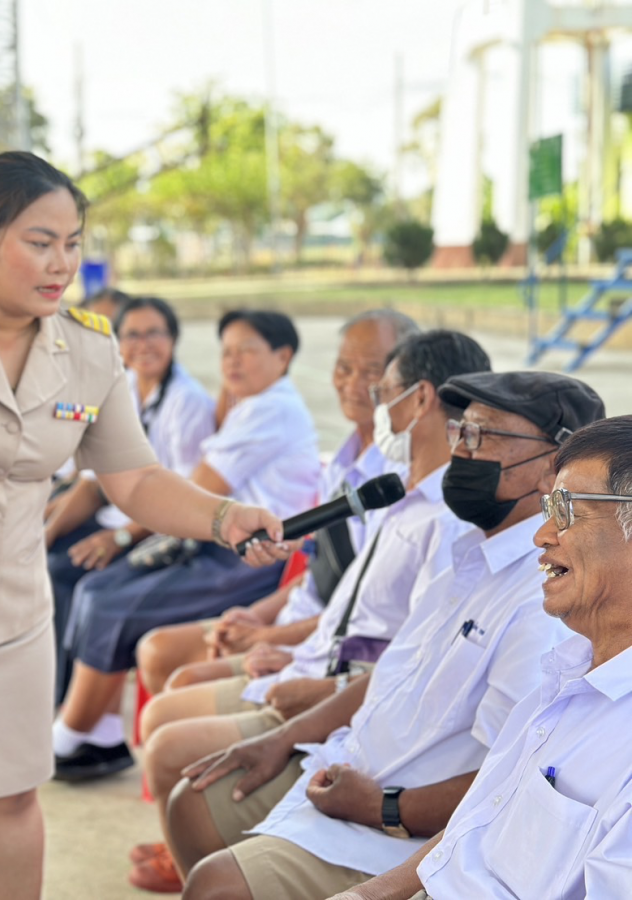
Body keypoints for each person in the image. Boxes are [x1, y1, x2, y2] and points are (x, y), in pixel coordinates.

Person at [0, 150, 290, 900]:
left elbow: (133, 478)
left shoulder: (90, 349)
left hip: (12, 617)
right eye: (40, 241)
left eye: (72, 243)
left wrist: (224, 517)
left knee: (9, 800)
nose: (61, 262)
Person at [171, 371, 605, 900]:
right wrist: (281, 738)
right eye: (459, 434)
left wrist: (382, 807)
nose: (461, 454)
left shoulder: (544, 600)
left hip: (400, 824)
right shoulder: (469, 555)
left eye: (483, 437)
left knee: (216, 884)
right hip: (349, 766)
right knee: (191, 800)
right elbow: (393, 671)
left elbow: (498, 782)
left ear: (550, 469)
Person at [127, 330, 491, 893]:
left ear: (418, 399)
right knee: (179, 732)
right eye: (344, 369)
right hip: (326, 674)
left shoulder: (449, 523)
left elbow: (406, 662)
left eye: (380, 385)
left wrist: (315, 694)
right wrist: (285, 644)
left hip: (348, 702)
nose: (364, 394)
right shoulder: (395, 491)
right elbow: (351, 614)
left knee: (181, 760)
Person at [328, 415, 632, 900]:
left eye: (567, 509)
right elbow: (473, 826)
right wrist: (368, 894)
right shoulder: (565, 676)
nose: (542, 534)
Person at [52, 309, 322, 782]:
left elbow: (200, 484)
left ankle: (76, 731)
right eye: (226, 352)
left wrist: (122, 535)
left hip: (249, 560)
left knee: (107, 598)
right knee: (95, 588)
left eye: (246, 351)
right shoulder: (250, 403)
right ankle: (97, 730)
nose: (232, 362)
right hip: (217, 542)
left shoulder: (270, 408)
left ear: (285, 356)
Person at [135, 310, 420, 699]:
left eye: (372, 370)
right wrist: (258, 616)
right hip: (296, 615)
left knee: (177, 681)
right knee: (157, 651)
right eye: (343, 368)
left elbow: (366, 607)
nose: (353, 383)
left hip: (327, 643)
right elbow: (321, 569)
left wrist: (266, 635)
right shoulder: (344, 461)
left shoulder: (395, 482)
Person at [45, 296, 215, 701]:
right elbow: (93, 482)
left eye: (155, 332)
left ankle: (71, 704)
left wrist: (119, 539)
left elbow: (183, 497)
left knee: (68, 574)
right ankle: (54, 694)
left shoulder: (185, 402)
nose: (144, 344)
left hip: (155, 532)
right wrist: (46, 532)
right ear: (118, 344)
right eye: (132, 335)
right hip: (120, 519)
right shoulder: (126, 388)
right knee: (46, 559)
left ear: (173, 339)